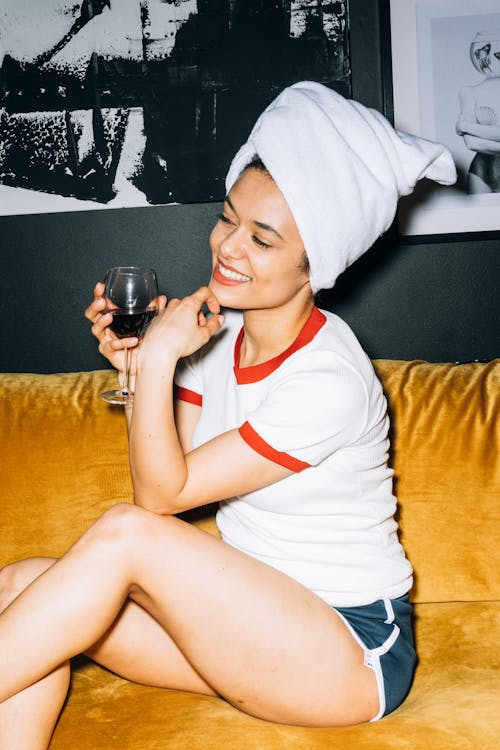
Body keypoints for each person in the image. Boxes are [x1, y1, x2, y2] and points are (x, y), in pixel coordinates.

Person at [0, 81, 456, 748]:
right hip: (253, 631)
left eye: (262, 239)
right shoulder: (216, 338)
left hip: (349, 655)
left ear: (314, 266)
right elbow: (162, 494)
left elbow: (151, 508)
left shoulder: (330, 377)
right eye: (227, 217)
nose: (228, 248)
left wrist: (158, 360)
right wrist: (139, 372)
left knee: (122, 534)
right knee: (22, 585)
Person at [456, 31, 500, 193]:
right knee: (477, 217)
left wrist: (467, 126)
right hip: (482, 171)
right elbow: (471, 143)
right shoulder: (469, 91)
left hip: (483, 167)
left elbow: (471, 136)